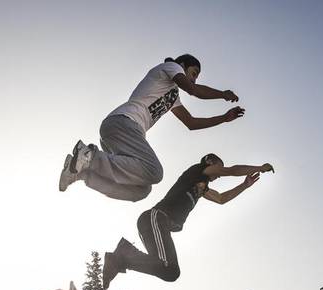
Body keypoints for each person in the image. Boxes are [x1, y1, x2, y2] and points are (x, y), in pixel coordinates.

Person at [59, 54, 246, 202]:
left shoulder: (173, 96)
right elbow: (193, 90)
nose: (194, 79)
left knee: (141, 190)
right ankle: (89, 156)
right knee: (155, 171)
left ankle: (80, 173)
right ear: (183, 65)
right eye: (194, 73)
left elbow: (191, 123)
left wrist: (223, 118)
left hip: (123, 135)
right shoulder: (170, 67)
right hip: (123, 122)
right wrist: (222, 94)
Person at [101, 154, 274, 288]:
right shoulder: (198, 170)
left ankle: (123, 254)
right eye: (218, 170)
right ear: (211, 163)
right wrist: (260, 167)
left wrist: (244, 185)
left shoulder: (202, 187)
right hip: (155, 218)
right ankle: (122, 255)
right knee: (168, 267)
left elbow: (221, 198)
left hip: (158, 225)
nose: (219, 176)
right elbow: (231, 170)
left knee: (170, 271)